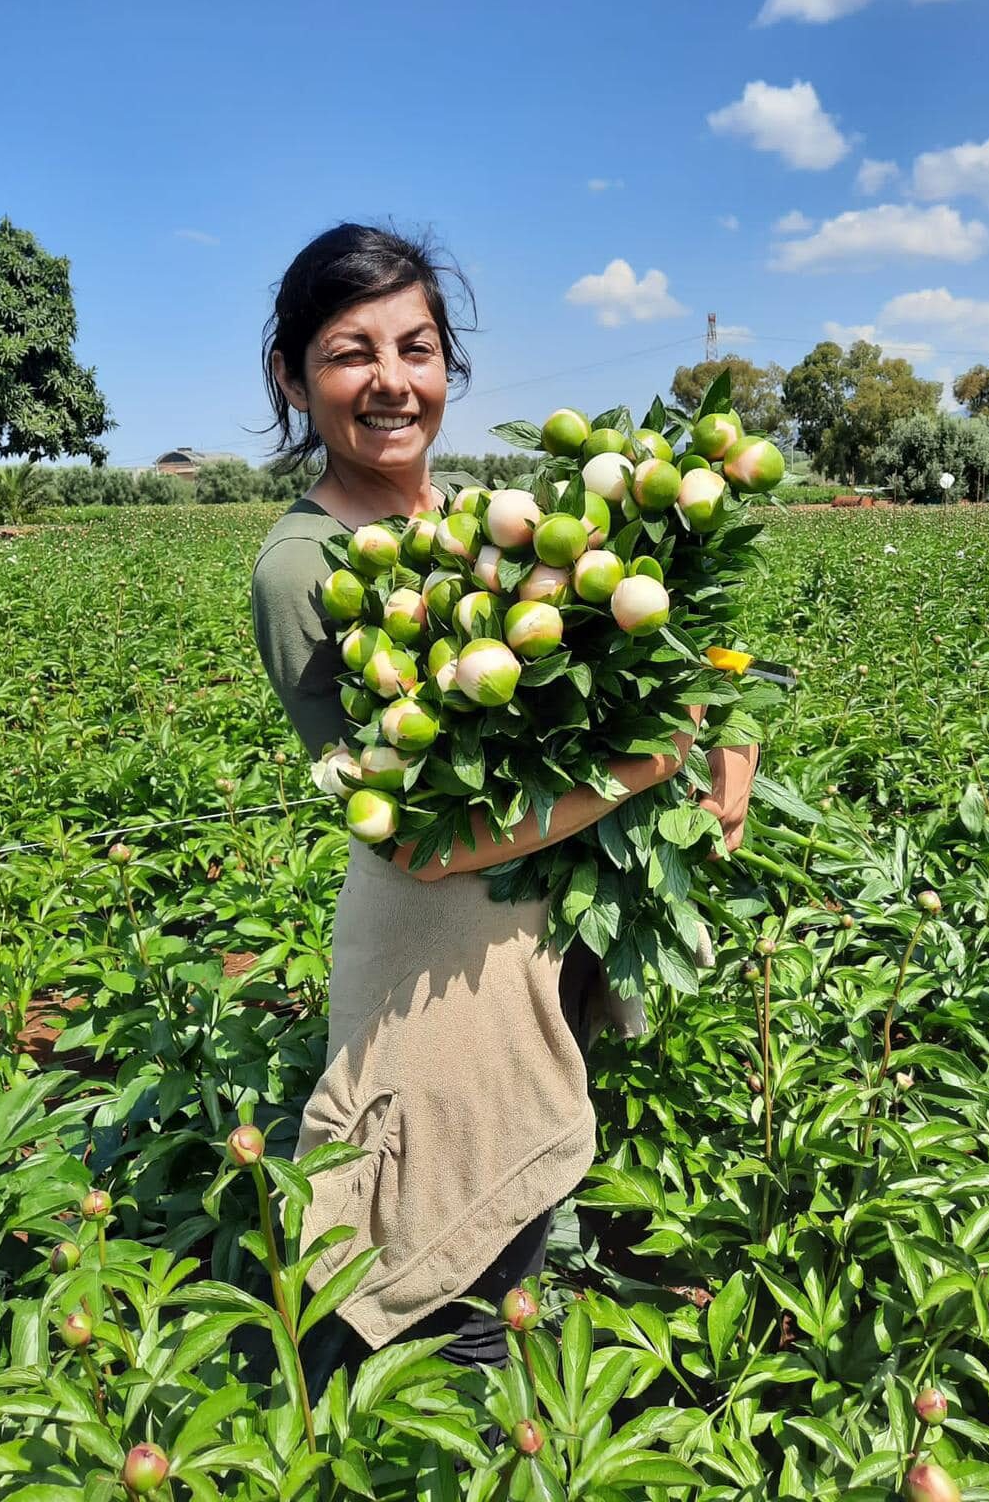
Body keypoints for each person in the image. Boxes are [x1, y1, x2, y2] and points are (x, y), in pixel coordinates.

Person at [250, 223, 757, 1398]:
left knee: (527, 1253)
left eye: (416, 347)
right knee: (448, 1292)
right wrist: (632, 777)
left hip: (543, 949)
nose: (391, 380)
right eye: (348, 351)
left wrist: (723, 732)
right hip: (440, 970)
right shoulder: (307, 562)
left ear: (448, 364)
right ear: (293, 376)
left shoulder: (498, 521)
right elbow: (413, 839)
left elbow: (675, 660)